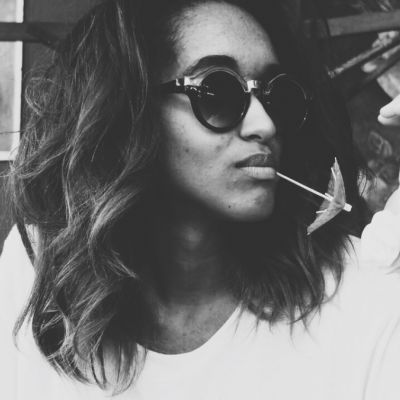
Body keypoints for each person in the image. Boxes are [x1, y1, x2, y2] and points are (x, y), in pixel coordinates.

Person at [1, 0, 400, 398]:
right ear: (131, 108)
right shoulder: (40, 265)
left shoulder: (357, 298)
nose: (265, 124)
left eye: (276, 96)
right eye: (218, 92)